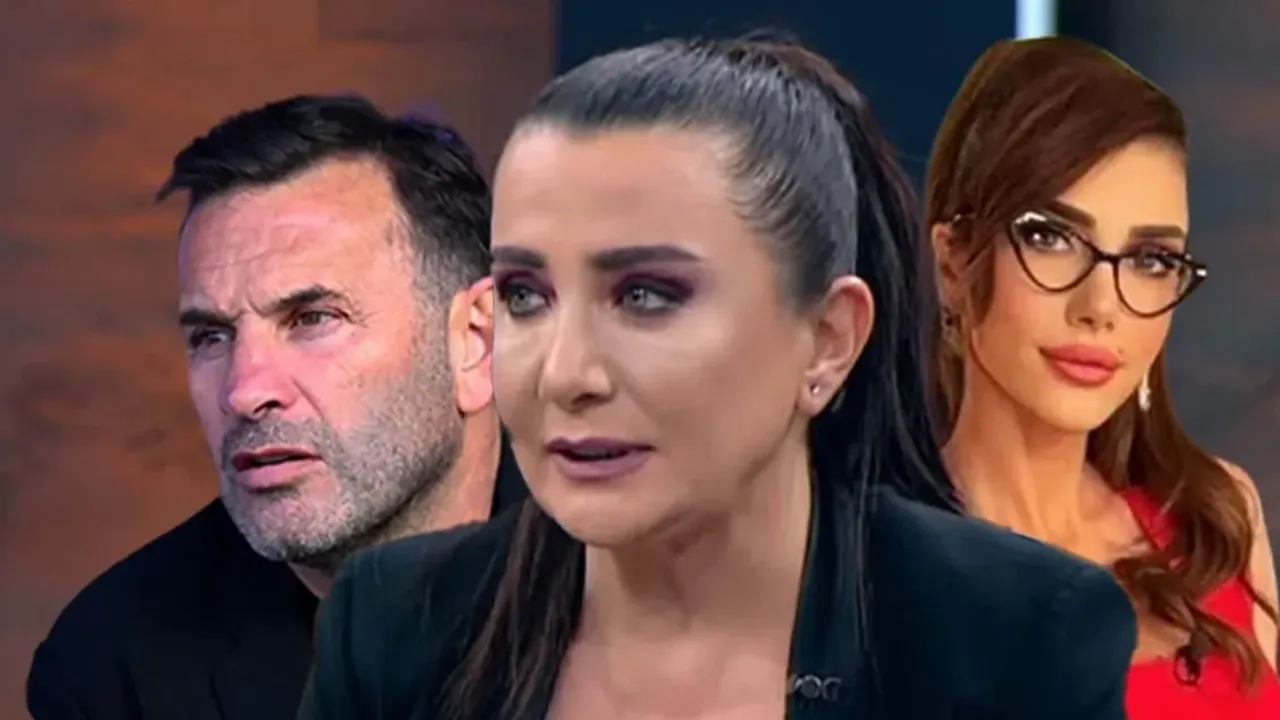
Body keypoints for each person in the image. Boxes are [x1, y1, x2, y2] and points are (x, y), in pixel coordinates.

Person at [299, 38, 1139, 720]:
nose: (566, 373)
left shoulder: (1018, 641)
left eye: (645, 296)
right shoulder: (393, 626)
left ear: (827, 340)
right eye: (526, 295)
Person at [26, 94, 525, 720]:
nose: (243, 390)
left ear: (476, 342)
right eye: (211, 336)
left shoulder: (632, 582)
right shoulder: (113, 667)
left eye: (312, 318)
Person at [924, 37, 1280, 719]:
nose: (1101, 307)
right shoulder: (873, 573)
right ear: (954, 262)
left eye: (1150, 259)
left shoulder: (1216, 518)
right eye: (1051, 238)